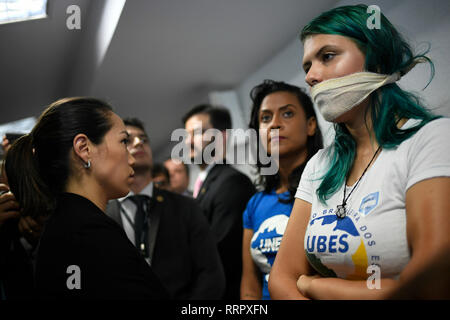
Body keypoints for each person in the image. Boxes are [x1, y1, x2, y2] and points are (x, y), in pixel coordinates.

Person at [269, 4, 450, 300]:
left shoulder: (430, 138)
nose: (310, 77)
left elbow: (434, 276)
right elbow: (282, 278)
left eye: (327, 56)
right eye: (307, 66)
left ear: (375, 59)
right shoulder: (319, 165)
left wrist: (313, 284)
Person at [4, 97, 169, 299]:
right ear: (84, 148)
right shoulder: (89, 233)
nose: (132, 159)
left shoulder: (69, 225)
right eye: (123, 141)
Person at [105, 118, 225, 300]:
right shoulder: (101, 212)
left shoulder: (186, 207)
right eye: (127, 140)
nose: (139, 143)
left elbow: (210, 274)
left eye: (144, 139)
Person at [240, 80, 323, 300]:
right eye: (265, 118)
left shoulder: (329, 188)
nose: (275, 124)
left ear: (311, 125)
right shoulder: (255, 204)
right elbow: (250, 284)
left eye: (287, 114)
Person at [183, 104, 256, 300]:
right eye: (186, 135)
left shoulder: (232, 183)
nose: (188, 141)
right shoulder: (204, 184)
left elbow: (218, 254)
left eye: (197, 133)